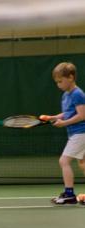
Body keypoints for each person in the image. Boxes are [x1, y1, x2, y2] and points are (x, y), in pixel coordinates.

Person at [40, 62, 85, 205]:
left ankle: (69, 195)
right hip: (74, 133)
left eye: (61, 81)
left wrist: (63, 123)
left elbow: (82, 115)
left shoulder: (78, 94)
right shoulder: (66, 95)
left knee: (64, 161)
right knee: (83, 163)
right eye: (56, 82)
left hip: (81, 132)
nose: (58, 84)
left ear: (70, 77)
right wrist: (53, 117)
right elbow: (68, 113)